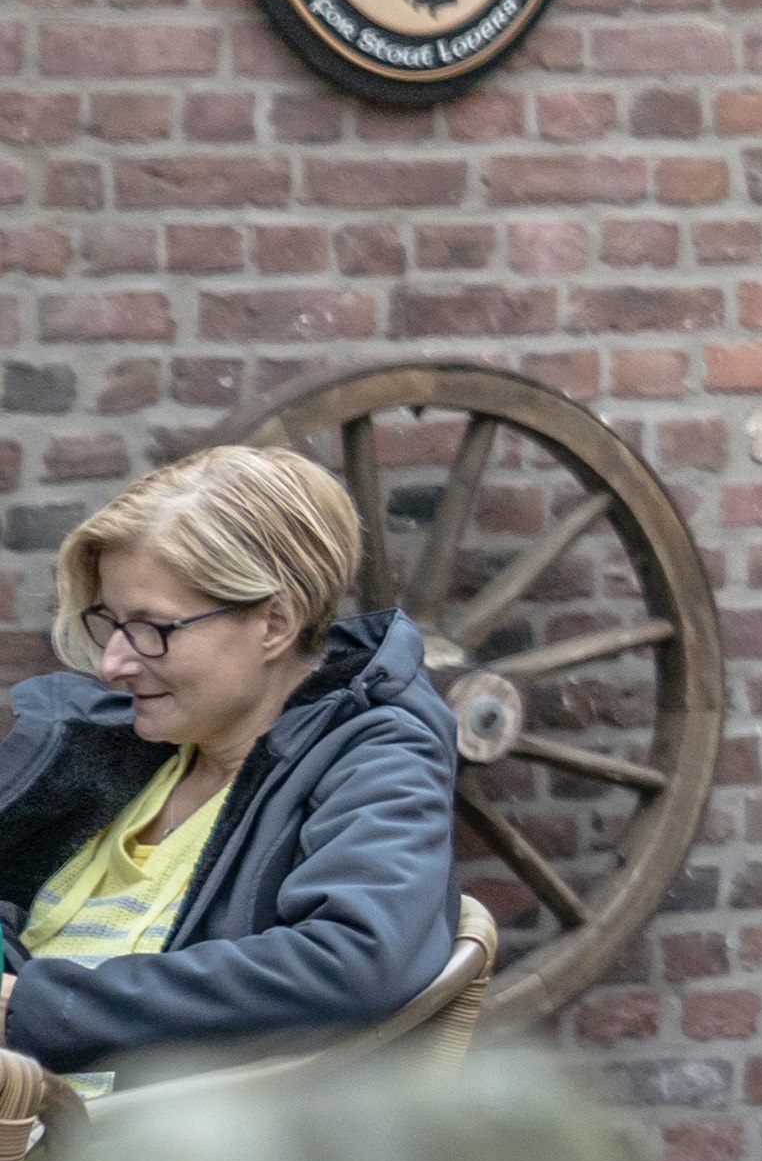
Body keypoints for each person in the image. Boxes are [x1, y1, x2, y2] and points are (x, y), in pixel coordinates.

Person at [0, 446, 465, 1076]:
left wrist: (39, 1009)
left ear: (274, 624)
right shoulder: (117, 742)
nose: (113, 664)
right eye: (110, 622)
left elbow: (354, 960)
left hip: (138, 1136)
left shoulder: (376, 760)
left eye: (154, 629)